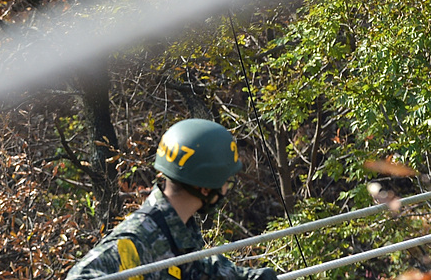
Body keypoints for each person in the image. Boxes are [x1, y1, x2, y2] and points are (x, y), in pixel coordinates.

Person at [66, 119, 278, 280]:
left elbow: (200, 268)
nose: (226, 188)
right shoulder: (137, 240)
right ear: (204, 187)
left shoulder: (177, 230)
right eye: (225, 181)